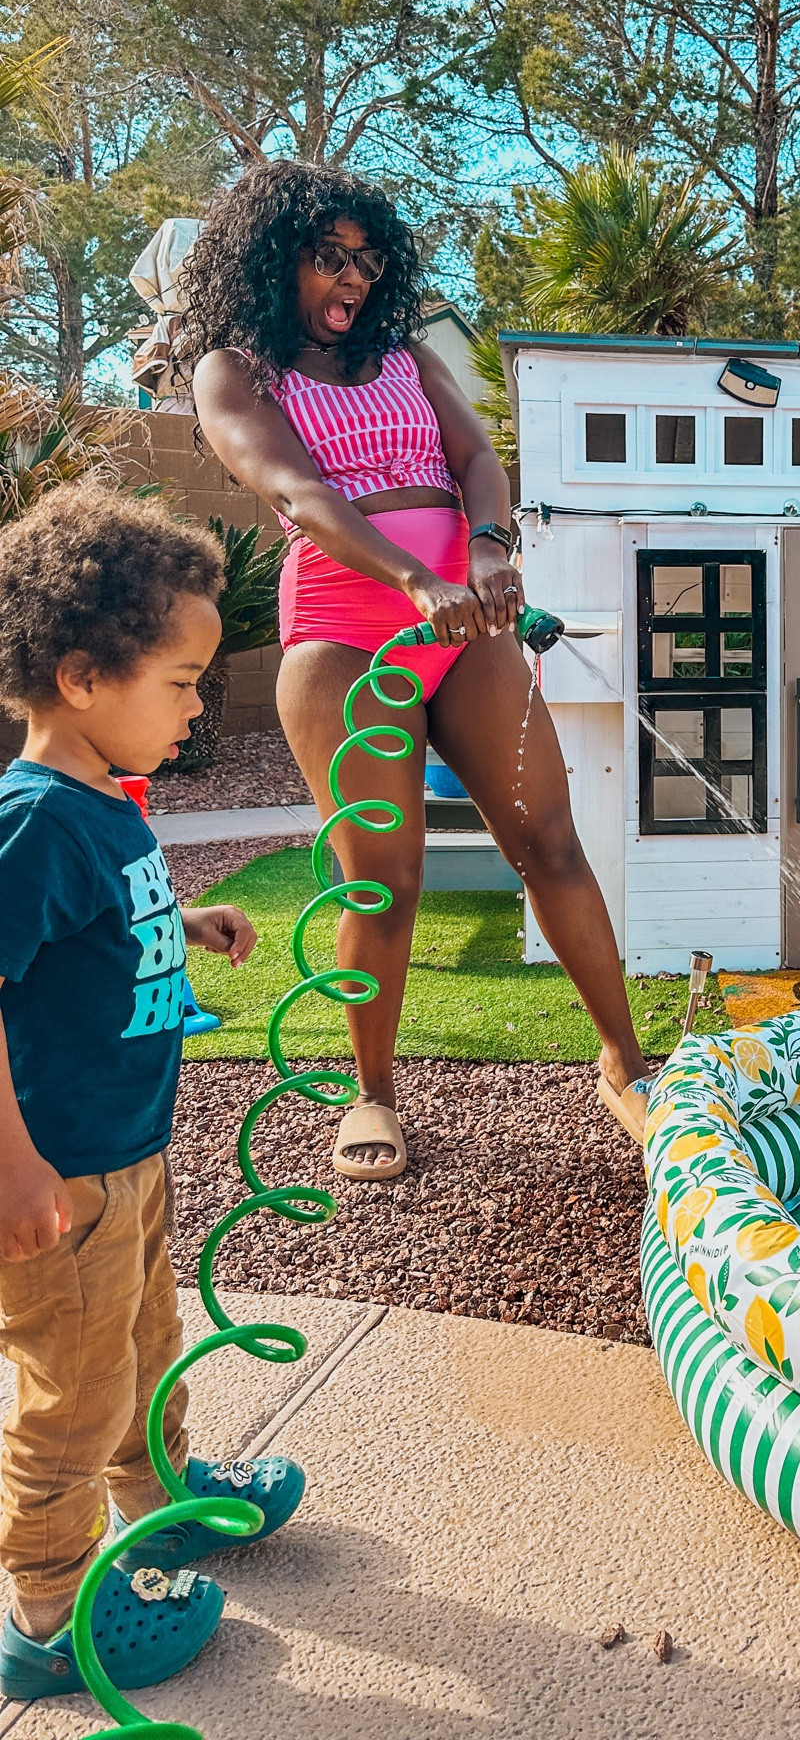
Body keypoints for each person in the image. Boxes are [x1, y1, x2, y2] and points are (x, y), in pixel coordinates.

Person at [184, 161, 651, 1176]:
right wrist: (411, 578)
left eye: (366, 258)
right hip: (347, 633)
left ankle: (624, 1060)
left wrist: (486, 551)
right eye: (326, 257)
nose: (350, 278)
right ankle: (373, 1096)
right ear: (277, 262)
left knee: (552, 840)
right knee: (384, 885)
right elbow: (298, 490)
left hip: (465, 623)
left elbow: (479, 459)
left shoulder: (406, 356)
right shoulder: (237, 370)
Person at [0, 487, 304, 1701]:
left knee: (140, 1346)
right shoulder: (29, 821)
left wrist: (183, 916)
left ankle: (161, 1503)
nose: (196, 704)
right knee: (72, 1398)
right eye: (182, 680)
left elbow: (76, 937)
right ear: (82, 677)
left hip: (128, 1154)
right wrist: (16, 1167)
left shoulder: (97, 804)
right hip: (60, 1176)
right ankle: (49, 1611)